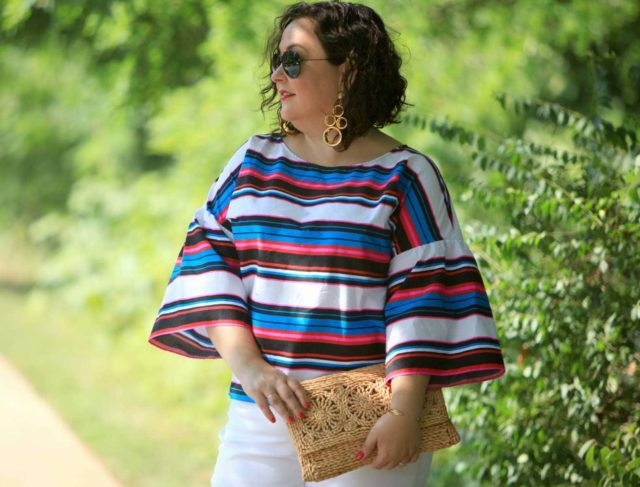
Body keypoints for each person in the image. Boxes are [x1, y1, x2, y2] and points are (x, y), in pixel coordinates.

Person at [148, 2, 506, 486]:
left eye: (294, 60)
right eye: (277, 61)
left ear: (350, 69)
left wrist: (402, 414)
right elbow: (209, 270)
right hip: (261, 418)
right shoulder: (251, 163)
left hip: (370, 425)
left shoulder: (406, 176)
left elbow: (424, 304)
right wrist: (251, 369)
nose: (277, 75)